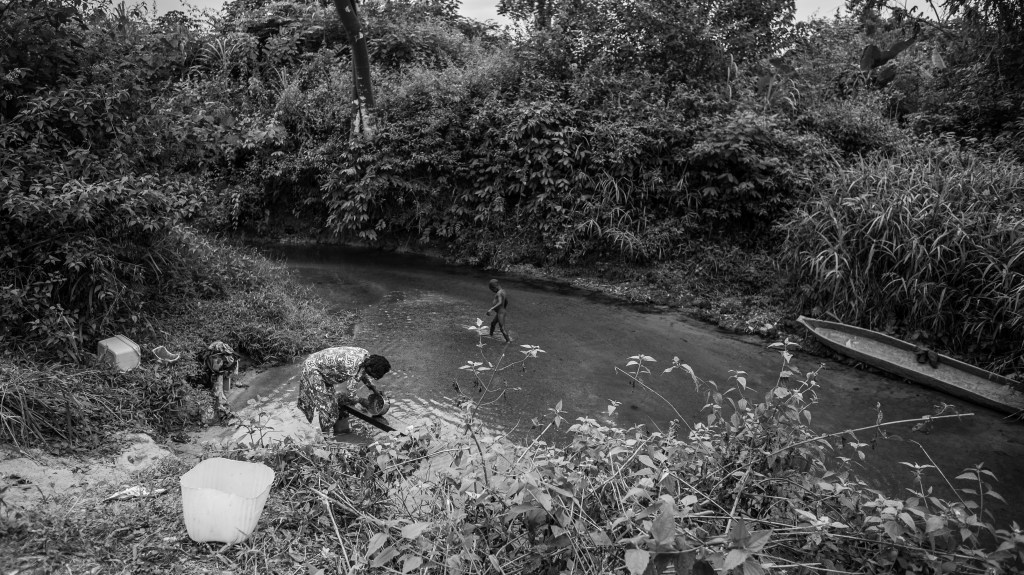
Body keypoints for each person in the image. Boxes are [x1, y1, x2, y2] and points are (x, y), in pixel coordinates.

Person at [297, 346, 391, 436]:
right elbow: (351, 394)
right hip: (314, 369)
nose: (373, 376)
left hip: (322, 366)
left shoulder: (365, 356)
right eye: (374, 375)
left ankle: (339, 433)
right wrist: (363, 402)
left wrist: (374, 390)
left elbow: (362, 373)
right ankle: (326, 439)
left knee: (332, 402)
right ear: (370, 368)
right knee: (326, 407)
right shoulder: (353, 365)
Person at [486, 279, 511, 343]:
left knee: (502, 328)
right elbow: (506, 301)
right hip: (500, 311)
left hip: (501, 313)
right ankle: (490, 335)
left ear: (494, 287)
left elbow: (500, 302)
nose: (493, 291)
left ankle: (508, 341)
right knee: (493, 323)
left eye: (492, 290)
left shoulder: (499, 293)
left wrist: (491, 309)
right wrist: (504, 308)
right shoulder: (503, 291)